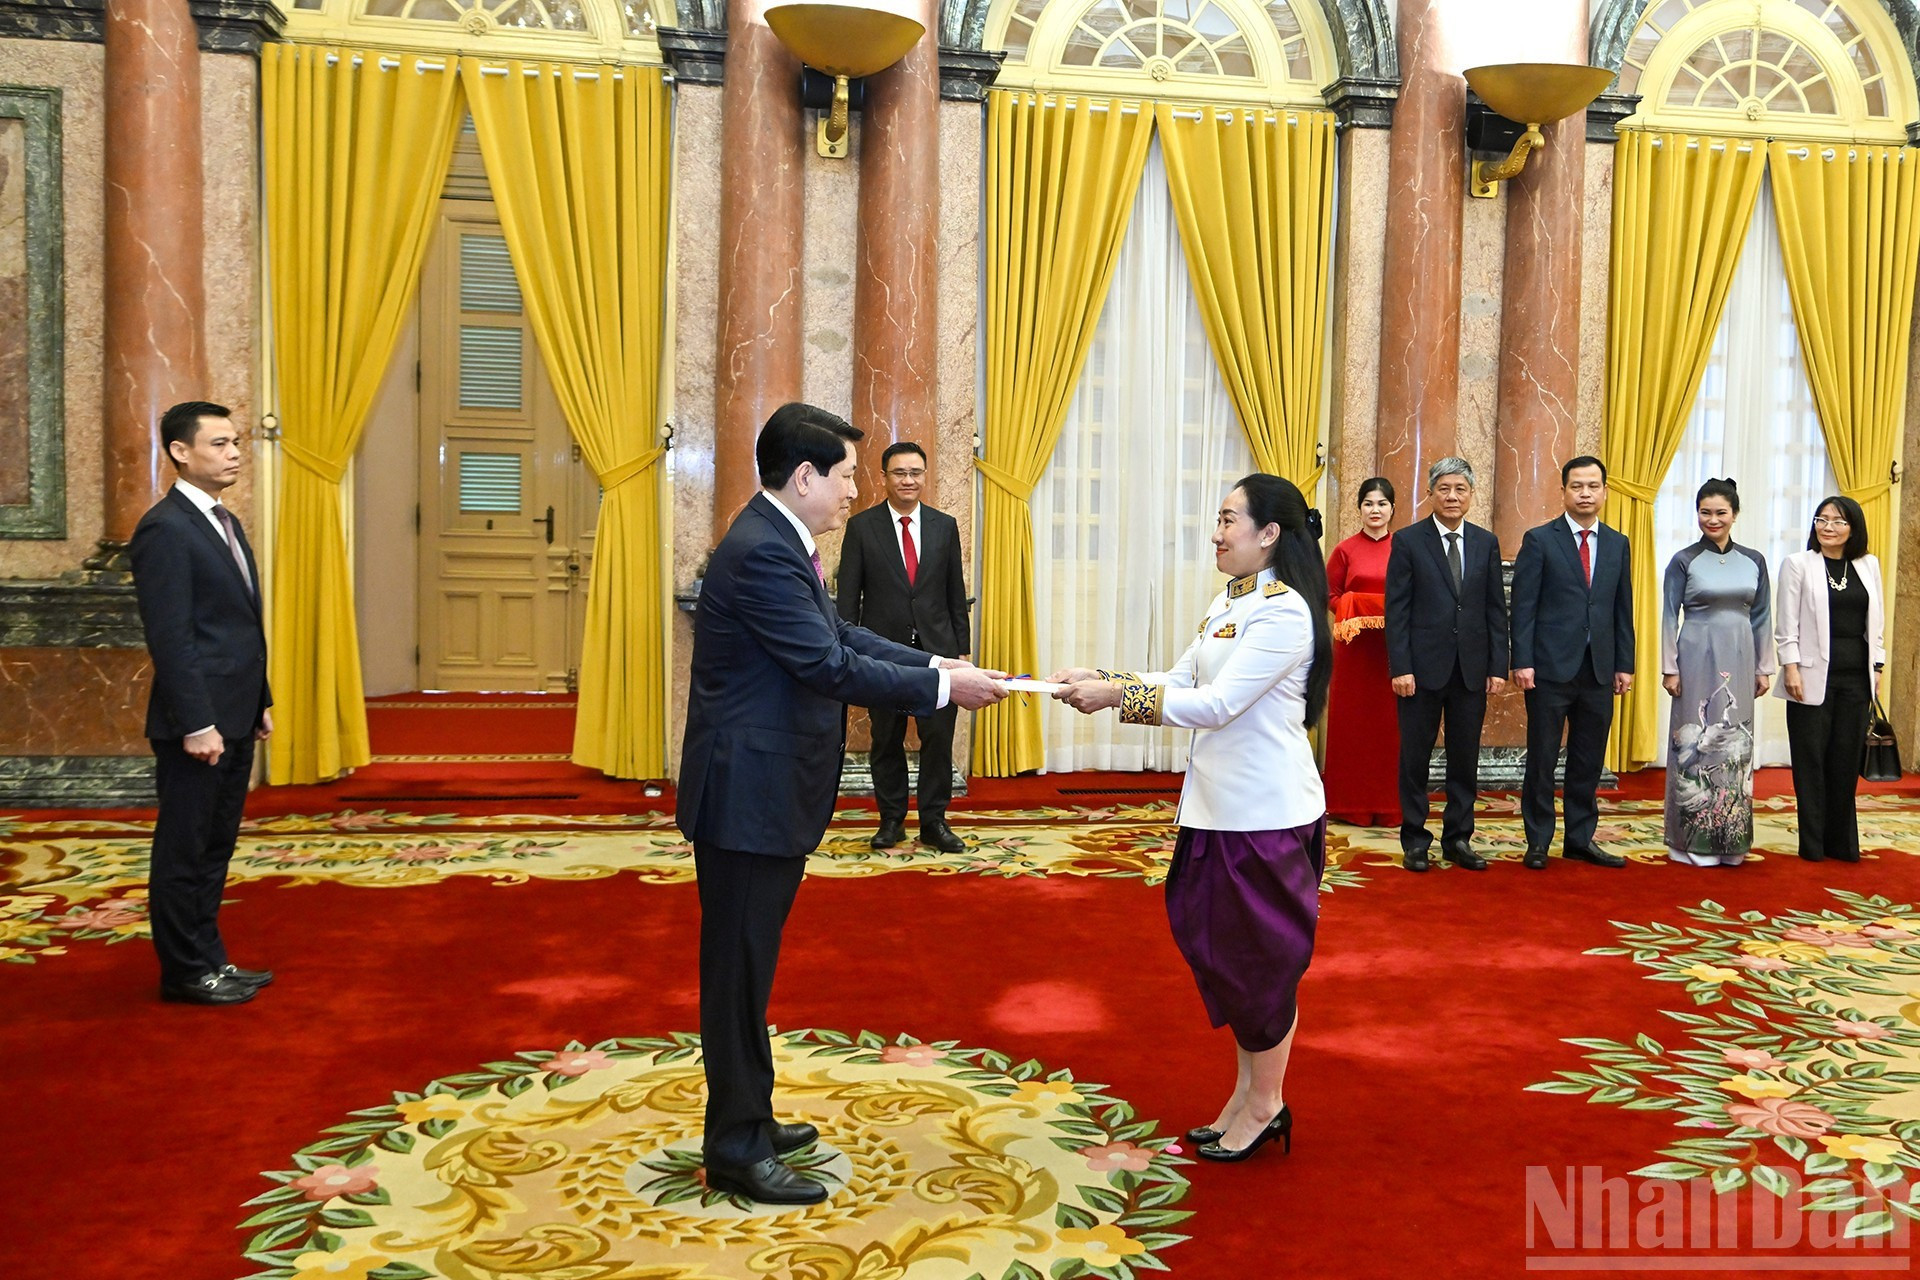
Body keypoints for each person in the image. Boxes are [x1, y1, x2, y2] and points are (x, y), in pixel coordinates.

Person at [677, 403, 1005, 1205]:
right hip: (746, 799)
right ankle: (736, 1146)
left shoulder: (780, 540)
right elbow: (828, 666)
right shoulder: (762, 553)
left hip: (763, 793)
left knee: (749, 969)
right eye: (848, 476)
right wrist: (941, 686)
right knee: (737, 975)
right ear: (805, 477)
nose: (856, 491)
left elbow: (849, 640)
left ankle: (748, 1113)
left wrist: (936, 661)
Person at [1048, 474, 1330, 1164]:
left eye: (1229, 519)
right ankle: (1246, 1095)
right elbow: (1184, 679)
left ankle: (1266, 1104)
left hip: (1264, 818)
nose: (1216, 531)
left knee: (1261, 968)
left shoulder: (1285, 612)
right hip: (1217, 811)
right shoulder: (1231, 603)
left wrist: (1115, 697)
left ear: (1268, 534)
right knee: (1228, 961)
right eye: (1218, 518)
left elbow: (1218, 704)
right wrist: (1106, 677)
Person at [128, 401, 274, 1006]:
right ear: (180, 452)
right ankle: (184, 971)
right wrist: (198, 723)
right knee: (185, 848)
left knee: (216, 846)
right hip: (200, 725)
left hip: (236, 713)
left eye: (236, 441)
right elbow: (172, 637)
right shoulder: (165, 528)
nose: (235, 452)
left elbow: (237, 627)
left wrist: (259, 701)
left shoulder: (224, 521)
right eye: (219, 443)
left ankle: (210, 958)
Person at [836, 441, 972, 854]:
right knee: (886, 739)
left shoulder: (945, 526)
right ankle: (891, 820)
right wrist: (846, 648)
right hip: (882, 657)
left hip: (939, 654)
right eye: (899, 473)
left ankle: (934, 822)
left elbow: (954, 593)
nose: (908, 480)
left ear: (924, 476)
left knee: (937, 741)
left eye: (915, 472)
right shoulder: (861, 527)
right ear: (884, 477)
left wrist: (961, 651)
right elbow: (847, 598)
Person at [1509, 456, 1635, 870]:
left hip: (1599, 669)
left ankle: (1581, 838)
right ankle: (1539, 841)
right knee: (1542, 758)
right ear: (1563, 491)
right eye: (1577, 486)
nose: (1585, 493)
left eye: (1592, 486)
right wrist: (1521, 660)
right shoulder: (1540, 540)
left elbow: (1621, 609)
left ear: (1604, 492)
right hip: (1548, 669)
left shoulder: (1618, 543)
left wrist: (1625, 664)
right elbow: (1523, 606)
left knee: (1588, 759)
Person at [1384, 457, 1508, 873]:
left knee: (1464, 759)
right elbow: (1396, 611)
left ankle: (1458, 839)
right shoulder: (1408, 540)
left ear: (1471, 495)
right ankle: (1415, 841)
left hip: (1471, 671)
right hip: (1419, 673)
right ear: (1431, 493)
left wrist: (1498, 666)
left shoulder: (1486, 542)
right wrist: (1400, 667)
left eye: (1460, 489)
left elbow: (1495, 608)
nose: (1452, 496)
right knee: (1414, 760)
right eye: (1444, 488)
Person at [1661, 478, 1772, 867]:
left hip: (1741, 656)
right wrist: (1669, 667)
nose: (1713, 519)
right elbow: (1667, 615)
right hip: (1695, 655)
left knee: (1736, 745)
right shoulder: (1683, 560)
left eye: (1720, 512)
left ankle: (1732, 839)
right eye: (1705, 512)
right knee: (1692, 745)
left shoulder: (1754, 560)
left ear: (1735, 515)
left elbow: (1761, 616)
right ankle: (1688, 840)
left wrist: (1764, 667)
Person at [1776, 495, 1884, 863]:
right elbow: (1785, 626)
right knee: (1811, 762)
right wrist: (1789, 667)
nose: (1828, 527)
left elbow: (1877, 627)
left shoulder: (1868, 565)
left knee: (1844, 760)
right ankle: (1813, 846)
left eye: (1838, 521)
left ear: (1853, 528)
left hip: (1856, 679)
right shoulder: (1798, 564)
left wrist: (1879, 669)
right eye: (1822, 520)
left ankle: (1842, 843)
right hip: (1807, 678)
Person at [1321, 477, 1399, 826]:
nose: (1375, 510)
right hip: (1354, 651)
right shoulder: (1345, 550)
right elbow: (1329, 594)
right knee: (1353, 726)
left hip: (1392, 650)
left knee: (1390, 726)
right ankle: (1347, 804)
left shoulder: (1405, 548)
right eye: (1368, 503)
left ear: (1392, 509)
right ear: (1359, 509)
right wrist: (1355, 606)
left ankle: (1389, 805)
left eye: (1382, 503)